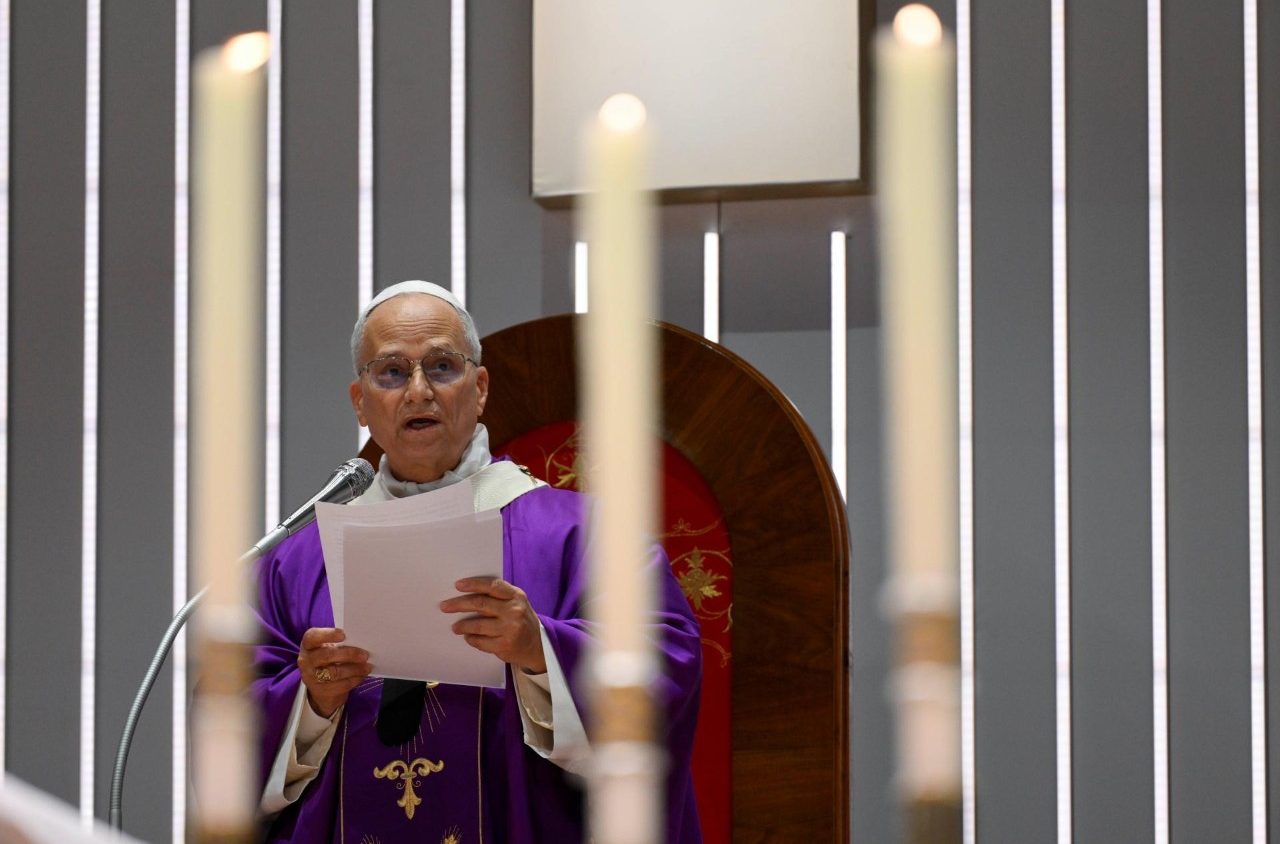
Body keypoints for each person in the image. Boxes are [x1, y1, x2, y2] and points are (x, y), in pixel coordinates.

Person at [252, 280, 703, 842]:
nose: (419, 391)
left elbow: (665, 670)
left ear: (480, 387)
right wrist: (310, 703)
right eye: (391, 372)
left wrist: (541, 651)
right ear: (360, 402)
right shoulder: (295, 562)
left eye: (442, 366)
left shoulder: (585, 535)